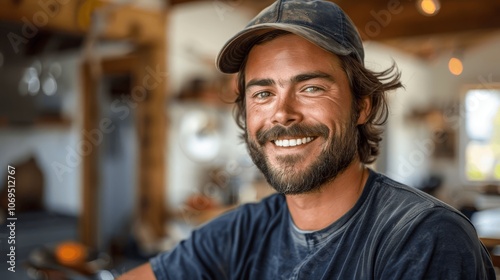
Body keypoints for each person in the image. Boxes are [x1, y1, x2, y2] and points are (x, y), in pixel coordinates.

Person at [118, 0, 496, 279]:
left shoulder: (425, 239)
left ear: (361, 107)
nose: (283, 113)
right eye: (263, 94)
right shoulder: (243, 232)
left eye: (311, 87)